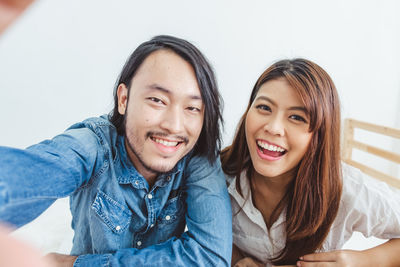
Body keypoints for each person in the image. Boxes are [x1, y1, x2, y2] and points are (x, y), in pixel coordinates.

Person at [0, 35, 232, 266]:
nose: (174, 125)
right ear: (124, 99)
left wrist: (74, 265)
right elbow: (22, 177)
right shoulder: (92, 147)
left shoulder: (198, 156)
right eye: (157, 100)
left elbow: (210, 257)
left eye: (192, 107)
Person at [220, 58, 400, 266]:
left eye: (297, 117)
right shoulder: (217, 175)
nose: (274, 127)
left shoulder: (348, 190)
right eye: (264, 107)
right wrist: (238, 258)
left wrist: (364, 260)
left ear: (320, 134)